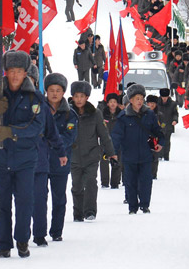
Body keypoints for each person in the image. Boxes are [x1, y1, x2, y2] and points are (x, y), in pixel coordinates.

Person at [0, 50, 46, 258]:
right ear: (6, 72)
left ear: (26, 73)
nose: (15, 75)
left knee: (24, 201)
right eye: (11, 70)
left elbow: (37, 126)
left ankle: (22, 239)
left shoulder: (34, 96)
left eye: (19, 71)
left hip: (25, 158)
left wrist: (12, 132)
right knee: (1, 203)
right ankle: (4, 245)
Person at [32, 73, 73, 246]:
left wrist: (51, 139)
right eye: (51, 90)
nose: (54, 94)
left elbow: (70, 136)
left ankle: (56, 231)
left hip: (59, 161)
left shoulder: (69, 114)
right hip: (39, 160)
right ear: (46, 91)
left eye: (58, 90)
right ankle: (39, 232)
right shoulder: (37, 110)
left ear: (63, 92)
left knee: (59, 198)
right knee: (38, 198)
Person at [110, 84, 163, 214]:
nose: (139, 101)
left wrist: (160, 143)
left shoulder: (149, 114)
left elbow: (157, 131)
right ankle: (132, 206)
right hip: (129, 155)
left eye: (141, 98)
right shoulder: (123, 116)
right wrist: (113, 152)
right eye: (136, 99)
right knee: (130, 182)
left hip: (146, 154)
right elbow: (116, 136)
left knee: (146, 181)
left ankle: (145, 205)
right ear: (131, 100)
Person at [69, 81, 116, 222]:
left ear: (87, 97)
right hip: (74, 157)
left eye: (82, 96)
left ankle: (90, 210)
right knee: (76, 186)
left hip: (91, 156)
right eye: (76, 96)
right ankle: (78, 213)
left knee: (90, 182)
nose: (79, 99)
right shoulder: (67, 113)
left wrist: (111, 153)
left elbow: (104, 135)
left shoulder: (95, 114)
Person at [98, 93, 123, 189]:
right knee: (104, 162)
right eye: (110, 102)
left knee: (117, 161)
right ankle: (104, 182)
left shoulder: (121, 115)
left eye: (114, 102)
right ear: (107, 103)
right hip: (104, 141)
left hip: (117, 142)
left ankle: (115, 183)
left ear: (117, 104)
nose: (112, 104)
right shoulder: (102, 114)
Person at [155, 88, 179, 160]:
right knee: (159, 140)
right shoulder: (157, 103)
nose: (164, 98)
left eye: (166, 97)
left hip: (168, 124)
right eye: (163, 97)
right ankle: (159, 155)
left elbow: (175, 113)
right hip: (159, 125)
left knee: (167, 141)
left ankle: (166, 156)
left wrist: (175, 120)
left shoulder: (173, 104)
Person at [145, 95, 161, 179]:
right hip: (144, 137)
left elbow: (163, 125)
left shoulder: (159, 114)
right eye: (149, 103)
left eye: (153, 103)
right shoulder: (143, 113)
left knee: (154, 157)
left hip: (155, 139)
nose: (151, 105)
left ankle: (153, 174)